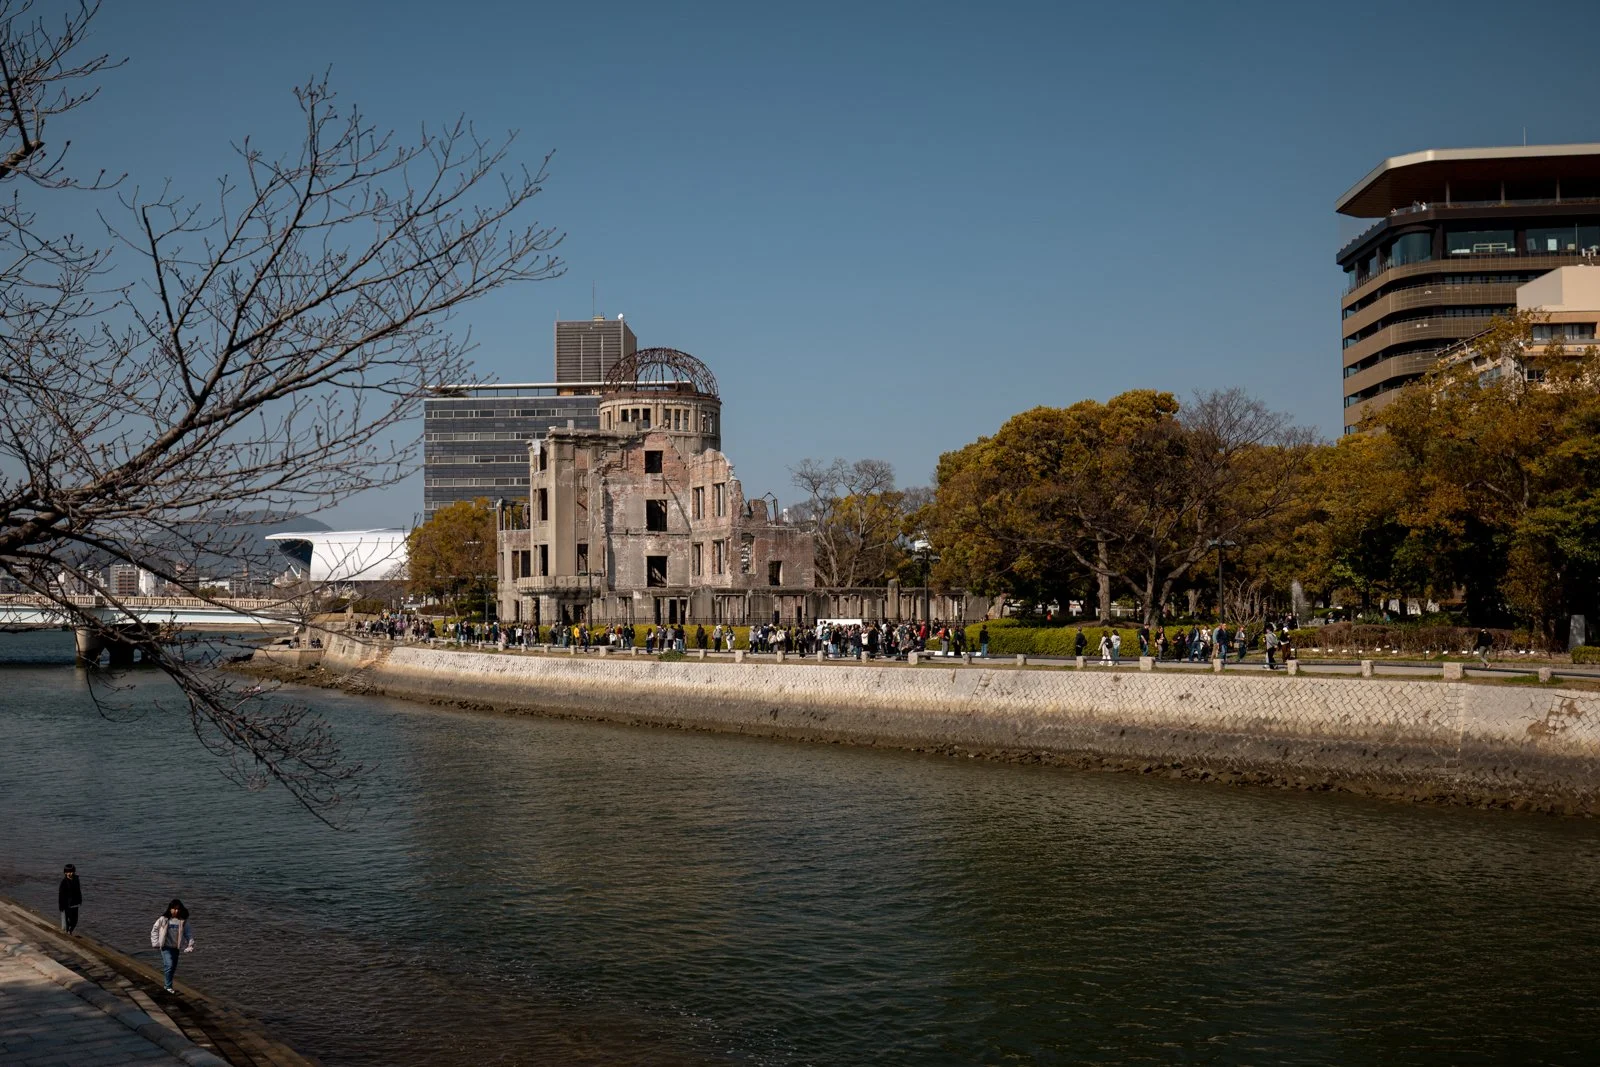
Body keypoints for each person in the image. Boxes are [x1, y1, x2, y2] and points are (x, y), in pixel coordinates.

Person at [149, 899, 194, 995]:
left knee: (172, 967)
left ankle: (168, 985)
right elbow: (154, 930)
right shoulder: (163, 919)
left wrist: (190, 944)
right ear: (170, 909)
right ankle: (167, 986)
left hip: (176, 948)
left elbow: (188, 933)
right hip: (166, 947)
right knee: (169, 965)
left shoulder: (183, 921)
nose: (176, 911)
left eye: (178, 909)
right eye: (174, 909)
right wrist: (156, 943)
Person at [58, 864, 82, 935]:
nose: (70, 873)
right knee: (66, 919)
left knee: (75, 920)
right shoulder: (64, 882)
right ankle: (67, 931)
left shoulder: (76, 879)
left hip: (75, 903)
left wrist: (80, 899)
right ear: (65, 872)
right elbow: (61, 894)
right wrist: (61, 905)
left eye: (72, 871)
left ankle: (70, 930)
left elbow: (78, 890)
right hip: (66, 904)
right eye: (68, 872)